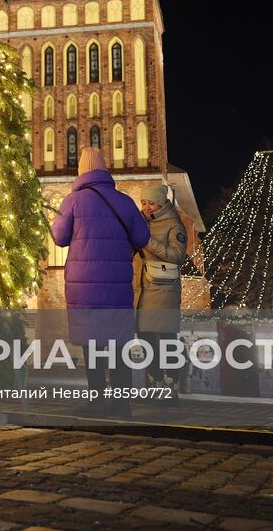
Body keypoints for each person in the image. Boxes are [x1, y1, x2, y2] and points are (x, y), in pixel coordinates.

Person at [50, 148, 149, 416]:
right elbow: (142, 237)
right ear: (105, 170)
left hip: (84, 286)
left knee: (92, 344)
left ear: (82, 171)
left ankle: (97, 402)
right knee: (118, 343)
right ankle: (122, 402)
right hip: (116, 284)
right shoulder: (124, 201)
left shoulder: (72, 201)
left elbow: (59, 238)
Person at [137, 182, 185, 397]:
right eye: (144, 203)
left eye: (151, 204)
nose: (146, 207)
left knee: (167, 340)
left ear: (161, 203)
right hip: (142, 290)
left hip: (164, 290)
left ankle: (171, 382)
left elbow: (178, 255)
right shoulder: (139, 223)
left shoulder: (174, 224)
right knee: (145, 338)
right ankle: (155, 380)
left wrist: (147, 242)